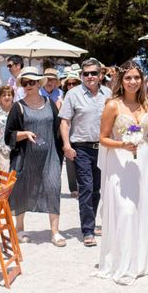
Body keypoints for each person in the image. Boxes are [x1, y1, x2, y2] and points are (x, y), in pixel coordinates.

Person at [94, 60, 148, 284]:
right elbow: (102, 138)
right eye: (128, 78)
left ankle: (141, 261)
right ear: (121, 81)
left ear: (142, 80)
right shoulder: (113, 105)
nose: (133, 82)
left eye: (136, 77)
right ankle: (122, 263)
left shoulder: (146, 104)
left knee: (143, 209)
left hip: (142, 163)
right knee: (126, 211)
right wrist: (122, 145)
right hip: (120, 163)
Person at [4, 67, 65, 247]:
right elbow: (8, 136)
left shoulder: (50, 103)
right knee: (22, 190)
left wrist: (65, 148)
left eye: (32, 82)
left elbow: (58, 129)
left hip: (50, 155)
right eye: (25, 82)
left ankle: (55, 232)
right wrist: (24, 134)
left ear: (39, 83)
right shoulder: (18, 107)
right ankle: (20, 228)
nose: (28, 85)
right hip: (25, 157)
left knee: (53, 187)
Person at [59, 58, 111, 247]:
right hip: (81, 148)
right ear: (81, 75)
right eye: (86, 73)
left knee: (97, 189)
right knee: (86, 188)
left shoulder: (109, 93)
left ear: (100, 75)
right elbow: (64, 122)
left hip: (103, 148)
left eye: (93, 73)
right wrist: (66, 145)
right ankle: (87, 230)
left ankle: (92, 222)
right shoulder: (73, 94)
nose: (90, 77)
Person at [62, 72, 82, 198]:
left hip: (80, 132)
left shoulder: (84, 96)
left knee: (81, 160)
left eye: (74, 83)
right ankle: (73, 188)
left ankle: (82, 187)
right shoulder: (63, 98)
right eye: (68, 84)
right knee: (70, 161)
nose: (71, 86)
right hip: (68, 131)